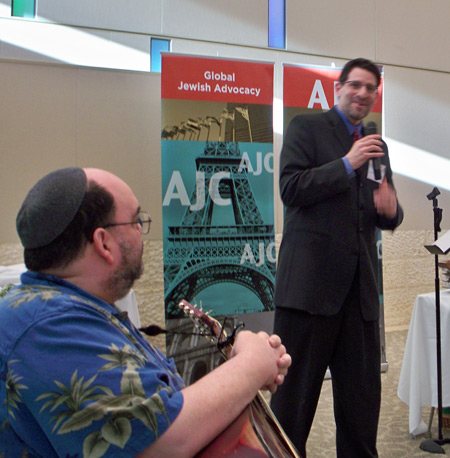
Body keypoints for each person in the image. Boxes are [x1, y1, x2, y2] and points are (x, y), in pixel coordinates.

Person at [0, 167, 292, 458]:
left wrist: (244, 366)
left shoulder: (68, 309)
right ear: (104, 243)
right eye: (136, 220)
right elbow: (162, 441)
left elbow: (154, 407)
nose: (142, 228)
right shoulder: (49, 326)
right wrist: (252, 364)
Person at [270, 58, 404, 458]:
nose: (363, 93)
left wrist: (391, 209)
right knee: (293, 409)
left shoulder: (376, 146)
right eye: (356, 85)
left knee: (361, 412)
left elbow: (387, 212)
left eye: (371, 88)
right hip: (310, 294)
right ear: (338, 89)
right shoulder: (306, 129)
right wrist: (348, 163)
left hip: (359, 299)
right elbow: (291, 189)